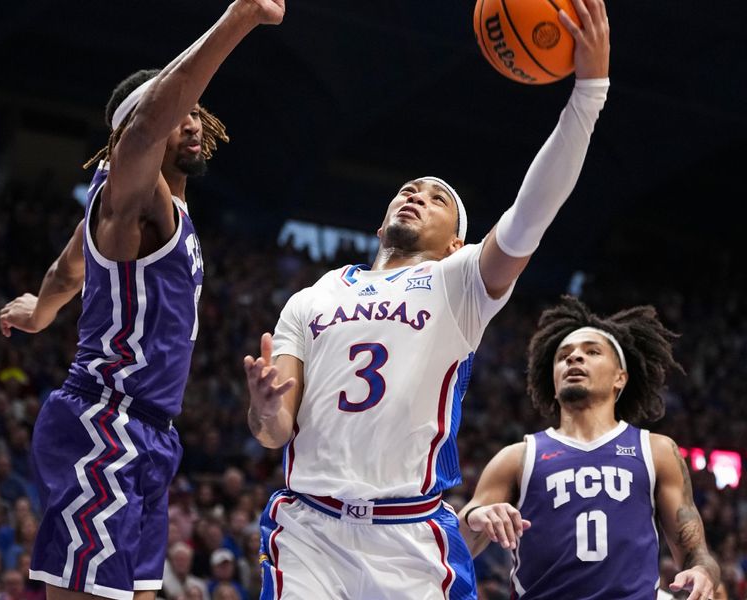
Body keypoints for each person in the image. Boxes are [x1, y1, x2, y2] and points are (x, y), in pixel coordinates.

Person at [243, 0, 611, 596]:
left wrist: (588, 92)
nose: (414, 195)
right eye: (407, 190)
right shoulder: (315, 294)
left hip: (410, 535)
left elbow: (533, 213)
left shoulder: (459, 281)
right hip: (308, 529)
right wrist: (263, 407)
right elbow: (272, 431)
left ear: (458, 240)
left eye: (436, 197)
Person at [0, 2, 285, 600]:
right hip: (104, 423)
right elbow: (147, 127)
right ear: (138, 132)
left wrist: (40, 312)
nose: (193, 123)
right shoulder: (132, 196)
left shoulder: (136, 213)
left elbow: (66, 267)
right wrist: (240, 17)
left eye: (197, 114)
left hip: (151, 434)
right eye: (181, 113)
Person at [458, 295, 721, 599]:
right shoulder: (517, 457)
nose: (574, 358)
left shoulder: (656, 451)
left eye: (592, 351)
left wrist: (701, 571)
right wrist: (473, 518)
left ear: (620, 378)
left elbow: (695, 552)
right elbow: (456, 548)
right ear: (553, 382)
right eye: (563, 356)